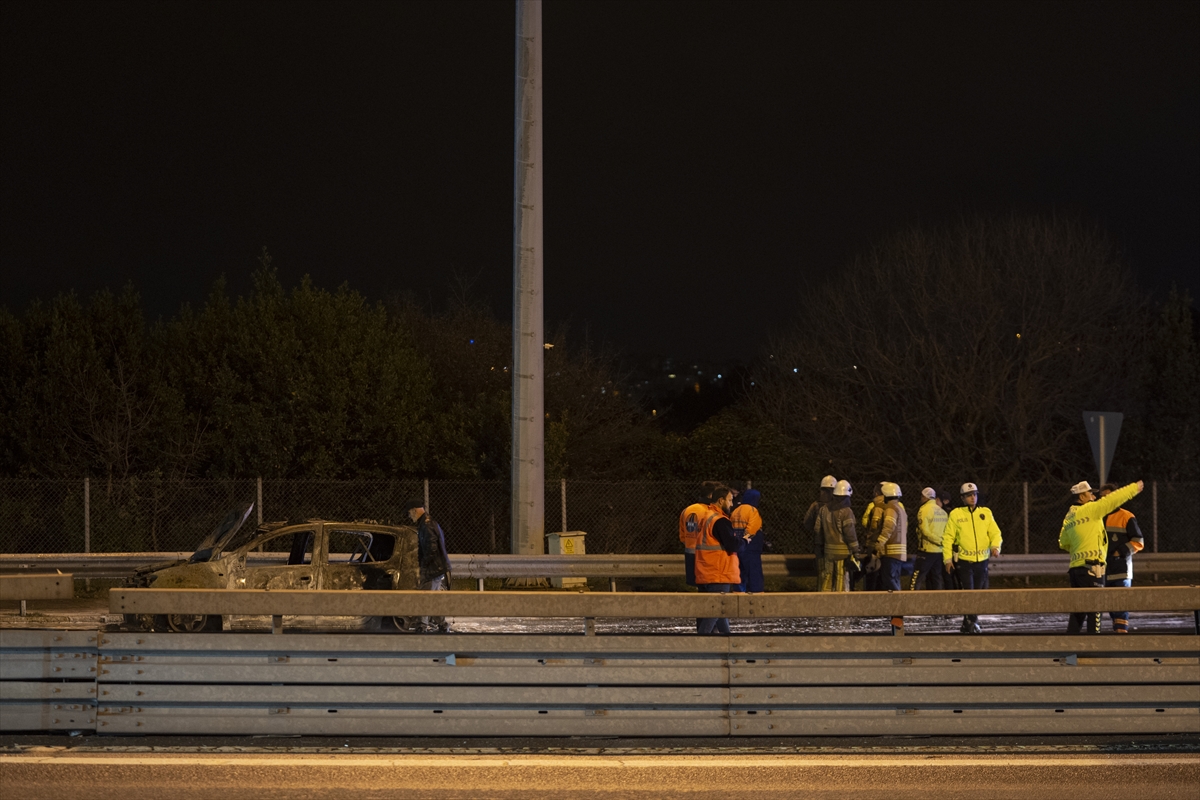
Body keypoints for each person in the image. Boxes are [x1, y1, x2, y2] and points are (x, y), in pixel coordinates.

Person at [1059, 480, 1144, 634]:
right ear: (1083, 496)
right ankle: (1094, 649)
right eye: (1091, 493)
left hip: (1075, 570)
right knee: (1095, 611)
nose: (1094, 496)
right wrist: (1134, 488)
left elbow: (1063, 543)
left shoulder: (1069, 517)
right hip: (1093, 569)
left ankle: (1069, 649)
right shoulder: (1091, 510)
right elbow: (1113, 499)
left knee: (1078, 611)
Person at [942, 482, 1002, 634]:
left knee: (978, 595)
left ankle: (967, 623)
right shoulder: (956, 514)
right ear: (962, 498)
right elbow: (948, 537)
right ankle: (972, 623)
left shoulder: (986, 512)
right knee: (969, 593)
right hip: (964, 562)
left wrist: (996, 547)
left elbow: (995, 533)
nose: (972, 498)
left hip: (982, 562)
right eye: (969, 495)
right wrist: (947, 560)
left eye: (974, 494)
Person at [694, 485, 745, 635]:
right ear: (721, 500)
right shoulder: (720, 521)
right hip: (718, 573)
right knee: (715, 612)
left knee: (720, 612)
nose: (731, 504)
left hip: (705, 572)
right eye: (729, 500)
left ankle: (728, 641)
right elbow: (732, 544)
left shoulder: (705, 517)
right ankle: (700, 645)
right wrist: (744, 541)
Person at [1098, 482, 1146, 634]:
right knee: (1111, 604)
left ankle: (1121, 635)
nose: (1105, 500)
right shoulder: (1097, 517)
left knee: (1121, 603)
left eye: (1108, 497)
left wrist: (1120, 552)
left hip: (1122, 569)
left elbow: (1138, 542)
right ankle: (1118, 633)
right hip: (1103, 569)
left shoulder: (1126, 516)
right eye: (1102, 498)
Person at [405, 499, 451, 633]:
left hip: (432, 569)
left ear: (415, 510)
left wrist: (423, 567)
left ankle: (422, 626)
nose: (409, 516)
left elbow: (431, 549)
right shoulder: (428, 523)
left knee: (424, 597)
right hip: (436, 568)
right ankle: (442, 624)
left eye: (409, 513)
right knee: (431, 598)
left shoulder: (426, 525)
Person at [869, 482, 907, 634]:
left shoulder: (890, 509)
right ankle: (897, 617)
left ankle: (897, 615)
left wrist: (879, 543)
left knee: (890, 582)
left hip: (891, 552)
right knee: (894, 581)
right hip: (899, 552)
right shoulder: (901, 508)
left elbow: (888, 528)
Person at [818, 479, 860, 592]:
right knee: (841, 580)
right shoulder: (847, 512)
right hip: (843, 554)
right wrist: (856, 551)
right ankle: (839, 606)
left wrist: (820, 547)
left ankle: (824, 604)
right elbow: (850, 534)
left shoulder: (823, 509)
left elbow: (818, 529)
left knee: (827, 577)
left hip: (828, 552)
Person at [679, 481, 721, 587]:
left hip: (690, 556)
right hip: (707, 558)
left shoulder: (687, 510)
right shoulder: (712, 512)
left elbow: (683, 536)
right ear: (711, 495)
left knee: (697, 591)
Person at [911, 487, 948, 591]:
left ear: (924, 497)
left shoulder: (923, 510)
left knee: (917, 577)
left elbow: (924, 531)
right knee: (936, 578)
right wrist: (942, 542)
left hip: (926, 550)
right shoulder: (943, 513)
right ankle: (937, 603)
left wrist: (936, 540)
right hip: (939, 550)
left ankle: (910, 600)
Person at [803, 476, 836, 589]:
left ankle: (821, 593)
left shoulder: (815, 505)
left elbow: (807, 523)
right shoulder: (839, 506)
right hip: (835, 545)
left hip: (820, 544)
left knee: (822, 572)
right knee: (835, 573)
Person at [731, 483, 765, 593]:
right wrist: (746, 539)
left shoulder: (735, 510)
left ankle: (739, 592)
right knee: (754, 572)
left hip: (737, 545)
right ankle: (756, 594)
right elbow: (752, 530)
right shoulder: (753, 510)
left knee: (740, 571)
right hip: (750, 547)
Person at [860, 483, 886, 591]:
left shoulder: (873, 505)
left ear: (876, 493)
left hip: (874, 544)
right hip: (889, 546)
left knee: (872, 573)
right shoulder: (897, 506)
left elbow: (866, 523)